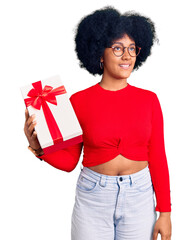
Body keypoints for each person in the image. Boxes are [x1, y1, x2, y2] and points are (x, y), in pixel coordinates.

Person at [24, 6, 172, 240]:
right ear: (99, 54)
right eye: (117, 48)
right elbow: (70, 161)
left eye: (132, 48)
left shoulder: (149, 100)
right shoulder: (78, 101)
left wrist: (165, 212)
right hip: (93, 199)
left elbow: (158, 156)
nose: (127, 56)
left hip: (140, 198)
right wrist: (39, 148)